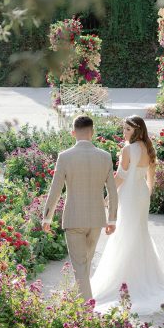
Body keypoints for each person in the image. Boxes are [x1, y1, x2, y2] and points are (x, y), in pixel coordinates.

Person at [91, 115, 164, 315]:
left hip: (129, 194)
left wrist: (106, 199)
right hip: (142, 194)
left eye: (127, 129)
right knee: (138, 234)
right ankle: (143, 277)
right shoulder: (148, 148)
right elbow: (151, 177)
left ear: (136, 130)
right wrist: (148, 192)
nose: (124, 132)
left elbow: (120, 177)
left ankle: (125, 279)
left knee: (125, 233)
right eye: (124, 128)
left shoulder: (128, 149)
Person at [42, 115, 118, 302]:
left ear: (73, 132)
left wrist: (47, 218)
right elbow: (113, 192)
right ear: (92, 133)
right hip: (96, 220)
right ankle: (81, 303)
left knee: (80, 267)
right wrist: (112, 219)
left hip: (74, 219)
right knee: (84, 266)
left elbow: (55, 190)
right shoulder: (105, 156)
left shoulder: (65, 157)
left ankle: (86, 309)